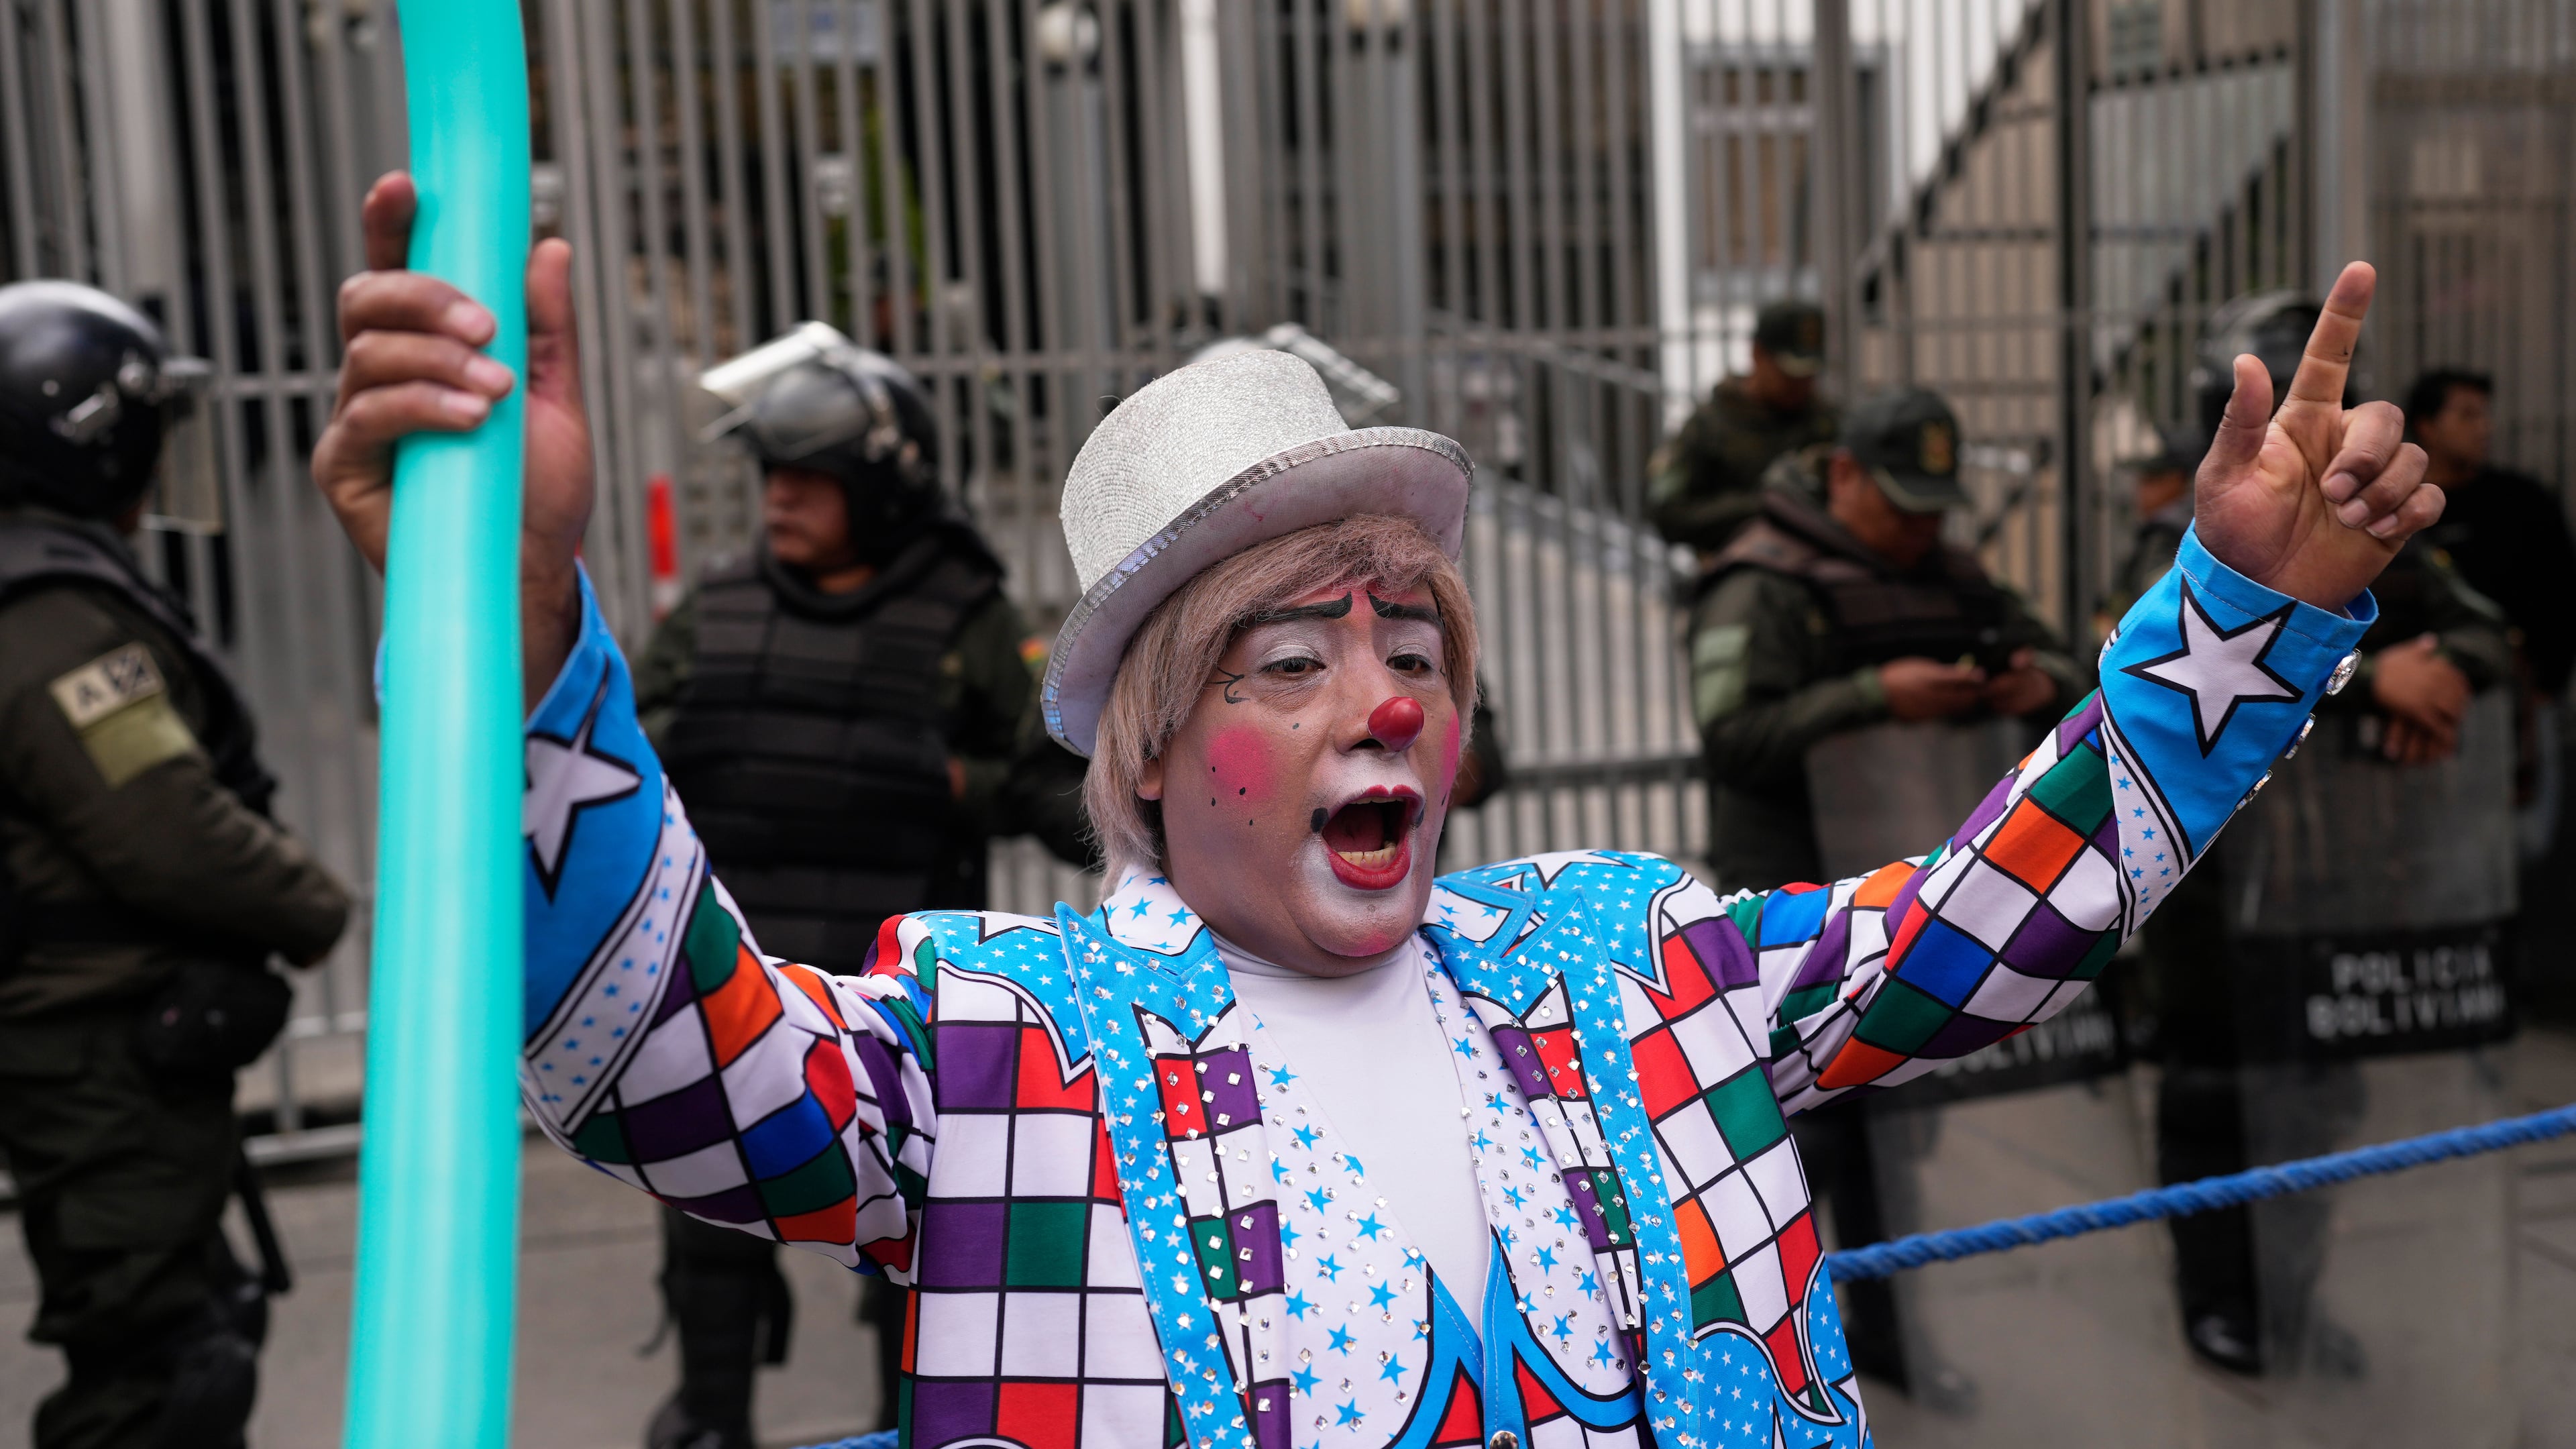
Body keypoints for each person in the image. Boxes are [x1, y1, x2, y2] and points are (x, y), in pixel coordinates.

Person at [316, 166, 2438, 1448]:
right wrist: (508, 648)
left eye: (1414, 644)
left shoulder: (1635, 966)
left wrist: (2234, 618)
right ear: (1144, 752)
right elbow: (664, 1064)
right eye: (1287, 658)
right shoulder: (995, 1055)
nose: (1384, 701)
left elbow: (1988, 927)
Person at [630, 329, 1093, 1448]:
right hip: (736, 993)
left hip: (900, 1019)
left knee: (918, 1267)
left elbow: (1065, 802)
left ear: (880, 489)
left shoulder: (964, 618)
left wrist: (954, 781)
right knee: (709, 1247)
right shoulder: (719, 610)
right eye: (770, 478)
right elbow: (627, 777)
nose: (778, 500)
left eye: (809, 480)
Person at [0, 281, 351, 1448]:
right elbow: (164, 827)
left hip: (103, 1048)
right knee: (155, 1374)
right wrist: (316, 907)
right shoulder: (48, 613)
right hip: (97, 1054)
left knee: (176, 1345)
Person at [1685, 387, 2086, 896]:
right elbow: (1731, 739)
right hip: (1793, 896)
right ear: (1843, 474)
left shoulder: (1956, 577)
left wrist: (2039, 686)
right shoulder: (1761, 584)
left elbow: (2083, 679)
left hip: (1929, 881)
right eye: (1904, 506)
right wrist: (1876, 696)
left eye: (1935, 509)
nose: (1922, 528)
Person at [1648, 299, 1840, 559]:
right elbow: (1667, 513)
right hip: (1736, 573)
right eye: (1790, 373)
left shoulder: (1828, 421)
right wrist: (1764, 505)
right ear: (1758, 354)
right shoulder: (1708, 426)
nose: (1801, 384)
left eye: (1810, 374)